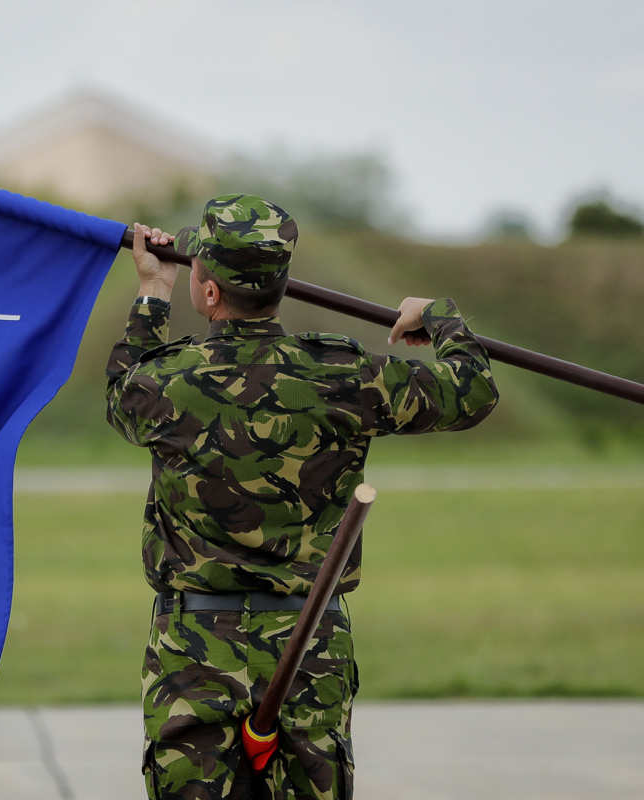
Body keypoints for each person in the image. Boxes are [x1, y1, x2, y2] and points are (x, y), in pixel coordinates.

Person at [105, 194, 499, 799]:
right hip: (310, 643)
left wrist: (153, 292)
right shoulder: (343, 375)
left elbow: (120, 395)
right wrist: (438, 315)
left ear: (208, 292)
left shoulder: (167, 381)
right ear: (283, 282)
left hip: (194, 651)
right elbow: (470, 392)